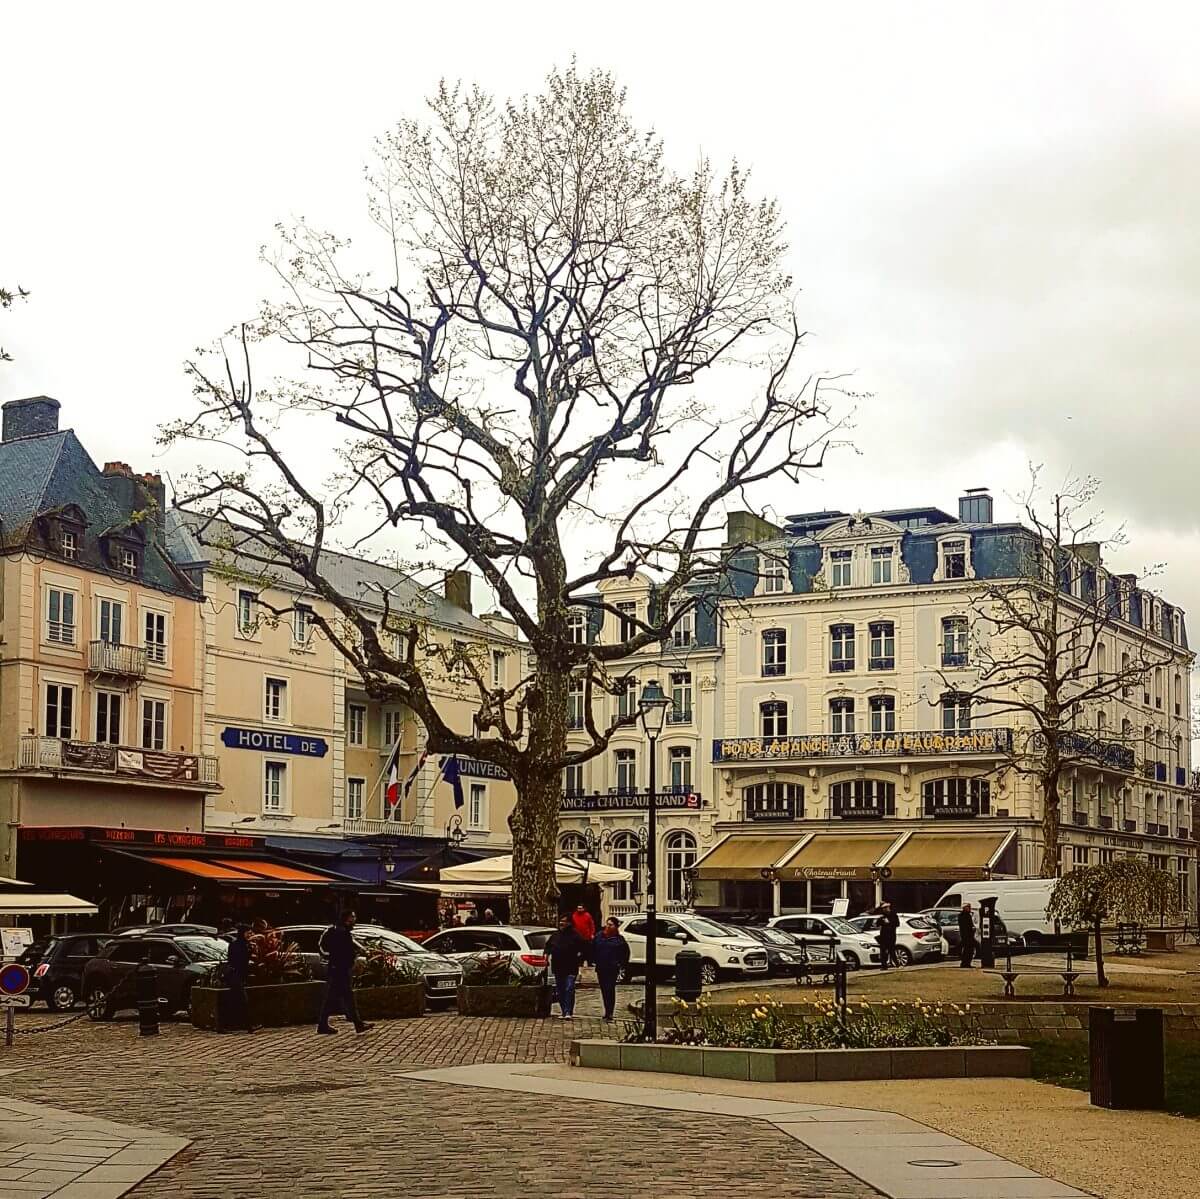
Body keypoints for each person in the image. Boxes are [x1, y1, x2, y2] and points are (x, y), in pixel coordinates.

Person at [317, 910, 373, 1035]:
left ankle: (356, 1023)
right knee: (341, 997)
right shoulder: (340, 932)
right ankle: (356, 1024)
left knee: (341, 997)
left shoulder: (341, 931)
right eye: (353, 916)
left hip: (338, 968)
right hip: (340, 970)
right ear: (347, 918)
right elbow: (344, 951)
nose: (355, 919)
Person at [546, 915, 588, 1019]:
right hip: (558, 966)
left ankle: (569, 1011)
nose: (561, 923)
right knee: (560, 990)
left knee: (569, 988)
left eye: (564, 921)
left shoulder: (575, 936)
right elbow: (548, 946)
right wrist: (546, 955)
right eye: (560, 921)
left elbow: (584, 948)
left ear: (569, 923)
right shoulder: (555, 935)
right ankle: (564, 1010)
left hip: (571, 966)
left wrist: (580, 959)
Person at [590, 917, 631, 1023]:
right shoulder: (599, 936)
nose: (608, 926)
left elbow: (625, 953)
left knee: (610, 989)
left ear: (615, 926)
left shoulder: (619, 939)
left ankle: (610, 1012)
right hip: (601, 967)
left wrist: (621, 964)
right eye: (607, 924)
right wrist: (593, 959)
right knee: (604, 989)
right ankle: (606, 1011)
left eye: (611, 925)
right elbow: (592, 948)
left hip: (612, 968)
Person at [223, 924, 254, 1033]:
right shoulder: (236, 945)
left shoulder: (246, 944)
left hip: (241, 975)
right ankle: (248, 1026)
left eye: (251, 933)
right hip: (235, 975)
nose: (250, 935)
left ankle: (232, 1025)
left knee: (235, 1001)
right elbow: (237, 961)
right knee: (242, 1000)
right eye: (248, 933)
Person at [876, 902, 901, 970]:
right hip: (883, 936)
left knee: (891, 950)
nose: (884, 910)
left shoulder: (893, 915)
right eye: (883, 908)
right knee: (883, 951)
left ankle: (897, 964)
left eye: (885, 908)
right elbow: (877, 924)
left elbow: (897, 924)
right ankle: (884, 966)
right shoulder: (882, 916)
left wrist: (889, 922)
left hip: (891, 935)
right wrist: (880, 920)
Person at [958, 903, 978, 968]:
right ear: (965, 908)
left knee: (969, 949)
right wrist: (971, 929)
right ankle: (965, 963)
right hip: (967, 936)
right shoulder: (963, 916)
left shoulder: (967, 915)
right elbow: (965, 927)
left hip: (968, 935)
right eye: (968, 907)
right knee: (968, 950)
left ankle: (966, 963)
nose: (970, 908)